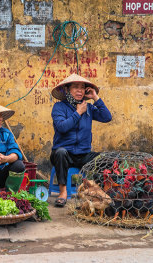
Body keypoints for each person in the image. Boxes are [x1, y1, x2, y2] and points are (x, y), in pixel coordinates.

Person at [50, 74, 112, 207]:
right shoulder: (59, 107)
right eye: (75, 87)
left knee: (106, 158)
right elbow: (62, 127)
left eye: (83, 88)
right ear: (67, 90)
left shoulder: (88, 108)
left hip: (83, 154)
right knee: (60, 152)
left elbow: (107, 117)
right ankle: (63, 192)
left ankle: (99, 192)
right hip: (64, 154)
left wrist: (95, 97)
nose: (80, 90)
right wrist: (78, 113)